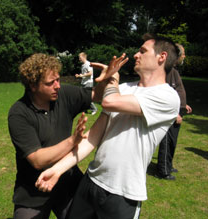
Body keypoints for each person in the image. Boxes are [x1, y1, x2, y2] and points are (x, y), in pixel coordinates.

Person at [35, 33, 180, 218]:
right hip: (91, 181)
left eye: (143, 51)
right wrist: (57, 170)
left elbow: (110, 101)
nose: (136, 55)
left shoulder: (167, 97)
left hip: (123, 194)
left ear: (162, 57)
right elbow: (92, 138)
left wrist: (112, 77)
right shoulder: (125, 89)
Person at [8, 53, 103, 219]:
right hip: (34, 189)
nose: (57, 86)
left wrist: (109, 79)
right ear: (32, 86)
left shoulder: (63, 95)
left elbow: (99, 95)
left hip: (68, 182)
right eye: (50, 83)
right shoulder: (19, 113)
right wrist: (73, 141)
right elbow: (37, 160)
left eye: (58, 79)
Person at [156, 43, 192, 180]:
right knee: (167, 141)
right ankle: (163, 171)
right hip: (171, 115)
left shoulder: (174, 71)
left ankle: (168, 165)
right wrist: (175, 113)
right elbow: (167, 93)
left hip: (177, 112)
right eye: (183, 54)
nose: (184, 56)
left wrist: (184, 104)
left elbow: (176, 92)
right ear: (176, 55)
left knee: (172, 141)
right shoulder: (169, 70)